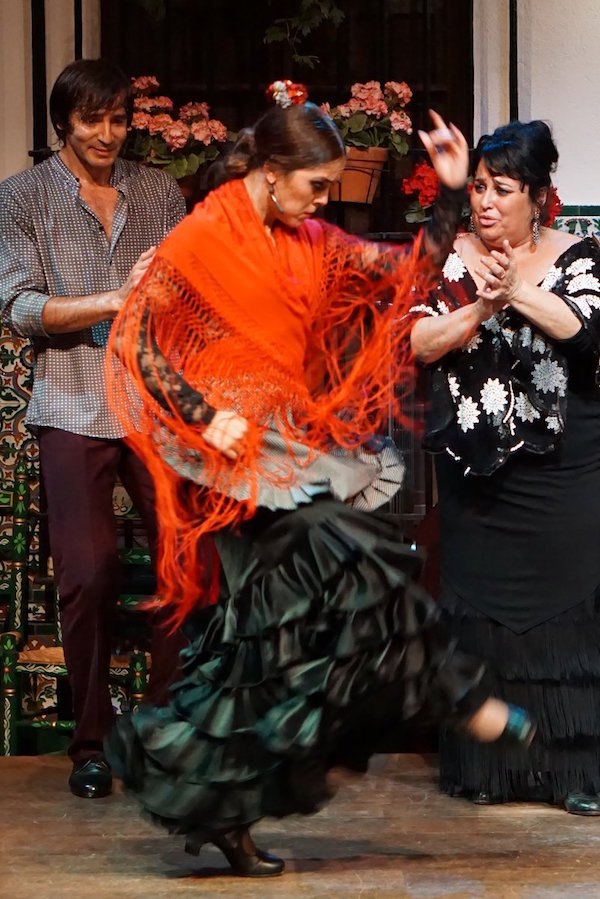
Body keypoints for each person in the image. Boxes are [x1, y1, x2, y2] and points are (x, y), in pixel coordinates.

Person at [104, 82, 534, 878]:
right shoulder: (202, 237)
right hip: (232, 471)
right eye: (314, 185)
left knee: (268, 648)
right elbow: (143, 341)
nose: (322, 200)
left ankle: (226, 812)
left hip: (291, 456)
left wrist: (446, 194)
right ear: (270, 170)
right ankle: (458, 696)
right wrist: (206, 413)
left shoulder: (309, 243)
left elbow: (400, 271)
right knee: (357, 557)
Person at [0, 59, 187, 798]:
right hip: (73, 403)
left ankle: (158, 728)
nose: (106, 133)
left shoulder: (158, 191)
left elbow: (182, 296)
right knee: (88, 573)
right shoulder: (22, 200)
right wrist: (112, 297)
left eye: (117, 118)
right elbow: (17, 306)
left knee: (188, 560)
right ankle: (91, 741)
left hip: (149, 406)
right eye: (90, 120)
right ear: (62, 125)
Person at [409, 119, 600, 815]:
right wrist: (480, 305)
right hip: (477, 469)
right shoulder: (448, 256)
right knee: (483, 616)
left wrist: (515, 290)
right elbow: (419, 341)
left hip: (565, 467)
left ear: (539, 194)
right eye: (481, 188)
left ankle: (574, 773)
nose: (486, 202)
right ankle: (489, 770)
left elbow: (583, 328)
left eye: (503, 189)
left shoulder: (578, 253)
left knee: (569, 614)